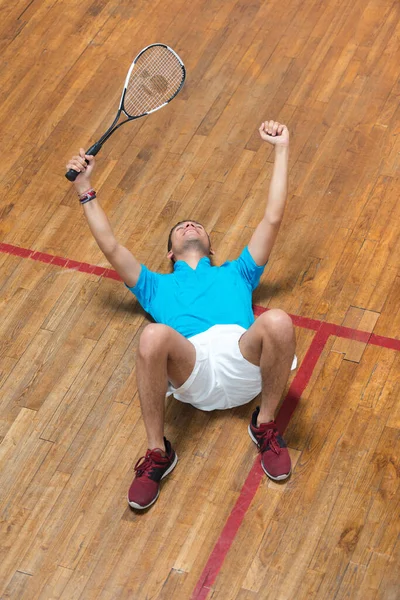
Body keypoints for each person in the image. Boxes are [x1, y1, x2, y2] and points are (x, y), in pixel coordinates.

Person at [66, 120, 297, 511]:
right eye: (180, 227)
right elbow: (110, 245)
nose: (189, 225)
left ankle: (265, 424)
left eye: (197, 226)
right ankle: (158, 452)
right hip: (194, 370)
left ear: (210, 249)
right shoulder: (153, 285)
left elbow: (272, 218)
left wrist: (281, 148)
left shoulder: (238, 271)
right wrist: (84, 188)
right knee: (152, 336)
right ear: (170, 253)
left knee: (278, 320)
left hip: (246, 364)